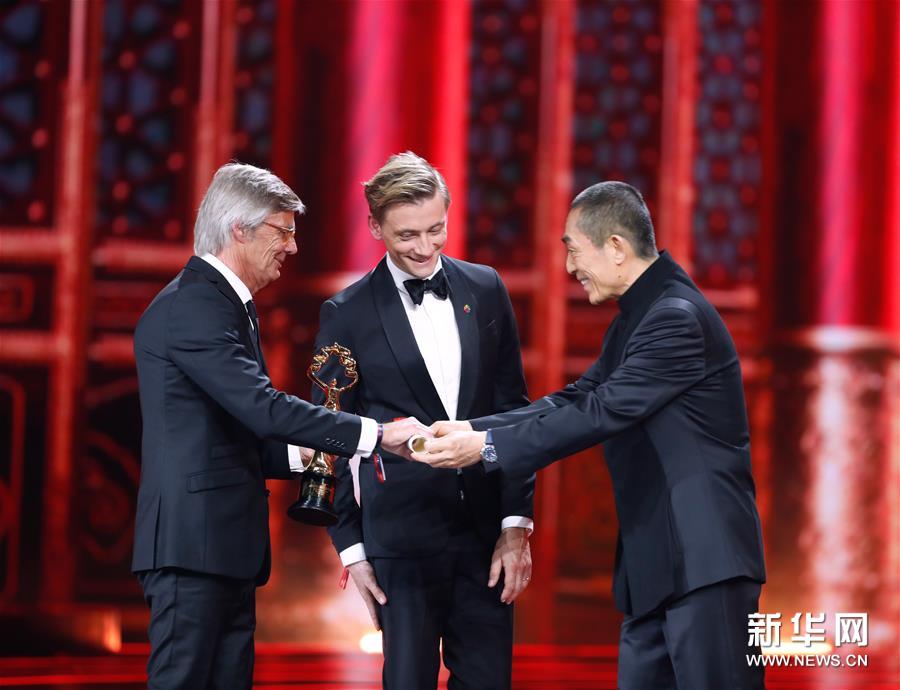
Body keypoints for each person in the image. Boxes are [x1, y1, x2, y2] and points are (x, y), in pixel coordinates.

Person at [413, 181, 767, 690]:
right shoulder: (638, 318)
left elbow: (600, 412)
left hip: (705, 564)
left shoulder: (676, 318)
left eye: (574, 250)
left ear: (616, 247)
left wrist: (486, 448)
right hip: (658, 567)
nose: (568, 267)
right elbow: (575, 399)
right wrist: (473, 428)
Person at [132, 162, 423, 690]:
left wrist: (311, 456)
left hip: (220, 550)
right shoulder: (194, 305)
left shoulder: (223, 304)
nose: (292, 246)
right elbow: (262, 408)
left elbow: (231, 434)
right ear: (239, 229)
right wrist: (375, 435)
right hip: (191, 550)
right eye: (283, 231)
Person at [311, 152, 535, 689]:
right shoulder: (346, 313)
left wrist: (516, 526)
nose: (425, 247)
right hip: (400, 542)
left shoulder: (486, 288)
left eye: (436, 229)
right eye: (407, 235)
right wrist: (352, 551)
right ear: (375, 227)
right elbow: (326, 435)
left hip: (485, 536)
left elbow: (516, 414)